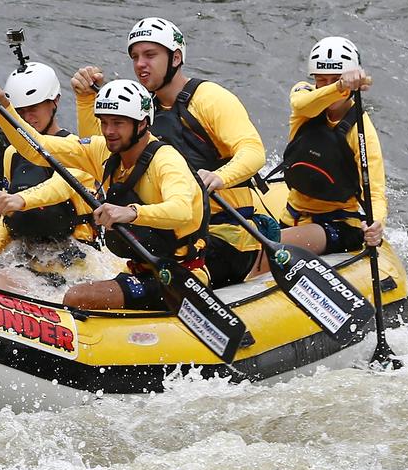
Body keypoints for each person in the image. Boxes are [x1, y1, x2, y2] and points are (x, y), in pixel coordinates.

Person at [71, 17, 270, 287]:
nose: (140, 64)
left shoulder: (209, 98)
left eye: (150, 55)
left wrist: (219, 177)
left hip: (224, 233)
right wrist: (86, 100)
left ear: (175, 58)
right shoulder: (140, 111)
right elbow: (101, 151)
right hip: (169, 236)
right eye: (135, 56)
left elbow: (253, 151)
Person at [0, 78, 208, 311]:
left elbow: (181, 210)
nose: (109, 131)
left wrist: (129, 213)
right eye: (104, 122)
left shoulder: (167, 162)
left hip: (180, 277)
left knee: (77, 297)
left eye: (118, 123)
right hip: (138, 270)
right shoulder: (102, 151)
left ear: (141, 124)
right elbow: (36, 148)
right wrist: (3, 111)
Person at [0, 62, 98, 288]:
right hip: (29, 258)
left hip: (76, 263)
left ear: (55, 102)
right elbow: (8, 215)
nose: (28, 117)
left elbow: (61, 186)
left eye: (34, 108)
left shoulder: (75, 149)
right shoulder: (12, 154)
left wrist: (21, 200)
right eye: (21, 111)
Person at [279, 36, 386, 254]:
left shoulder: (361, 129)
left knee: (271, 246)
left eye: (334, 79)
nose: (327, 86)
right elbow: (303, 106)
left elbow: (374, 191)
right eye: (321, 80)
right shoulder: (303, 96)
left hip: (340, 225)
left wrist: (377, 223)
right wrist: (339, 86)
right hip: (294, 217)